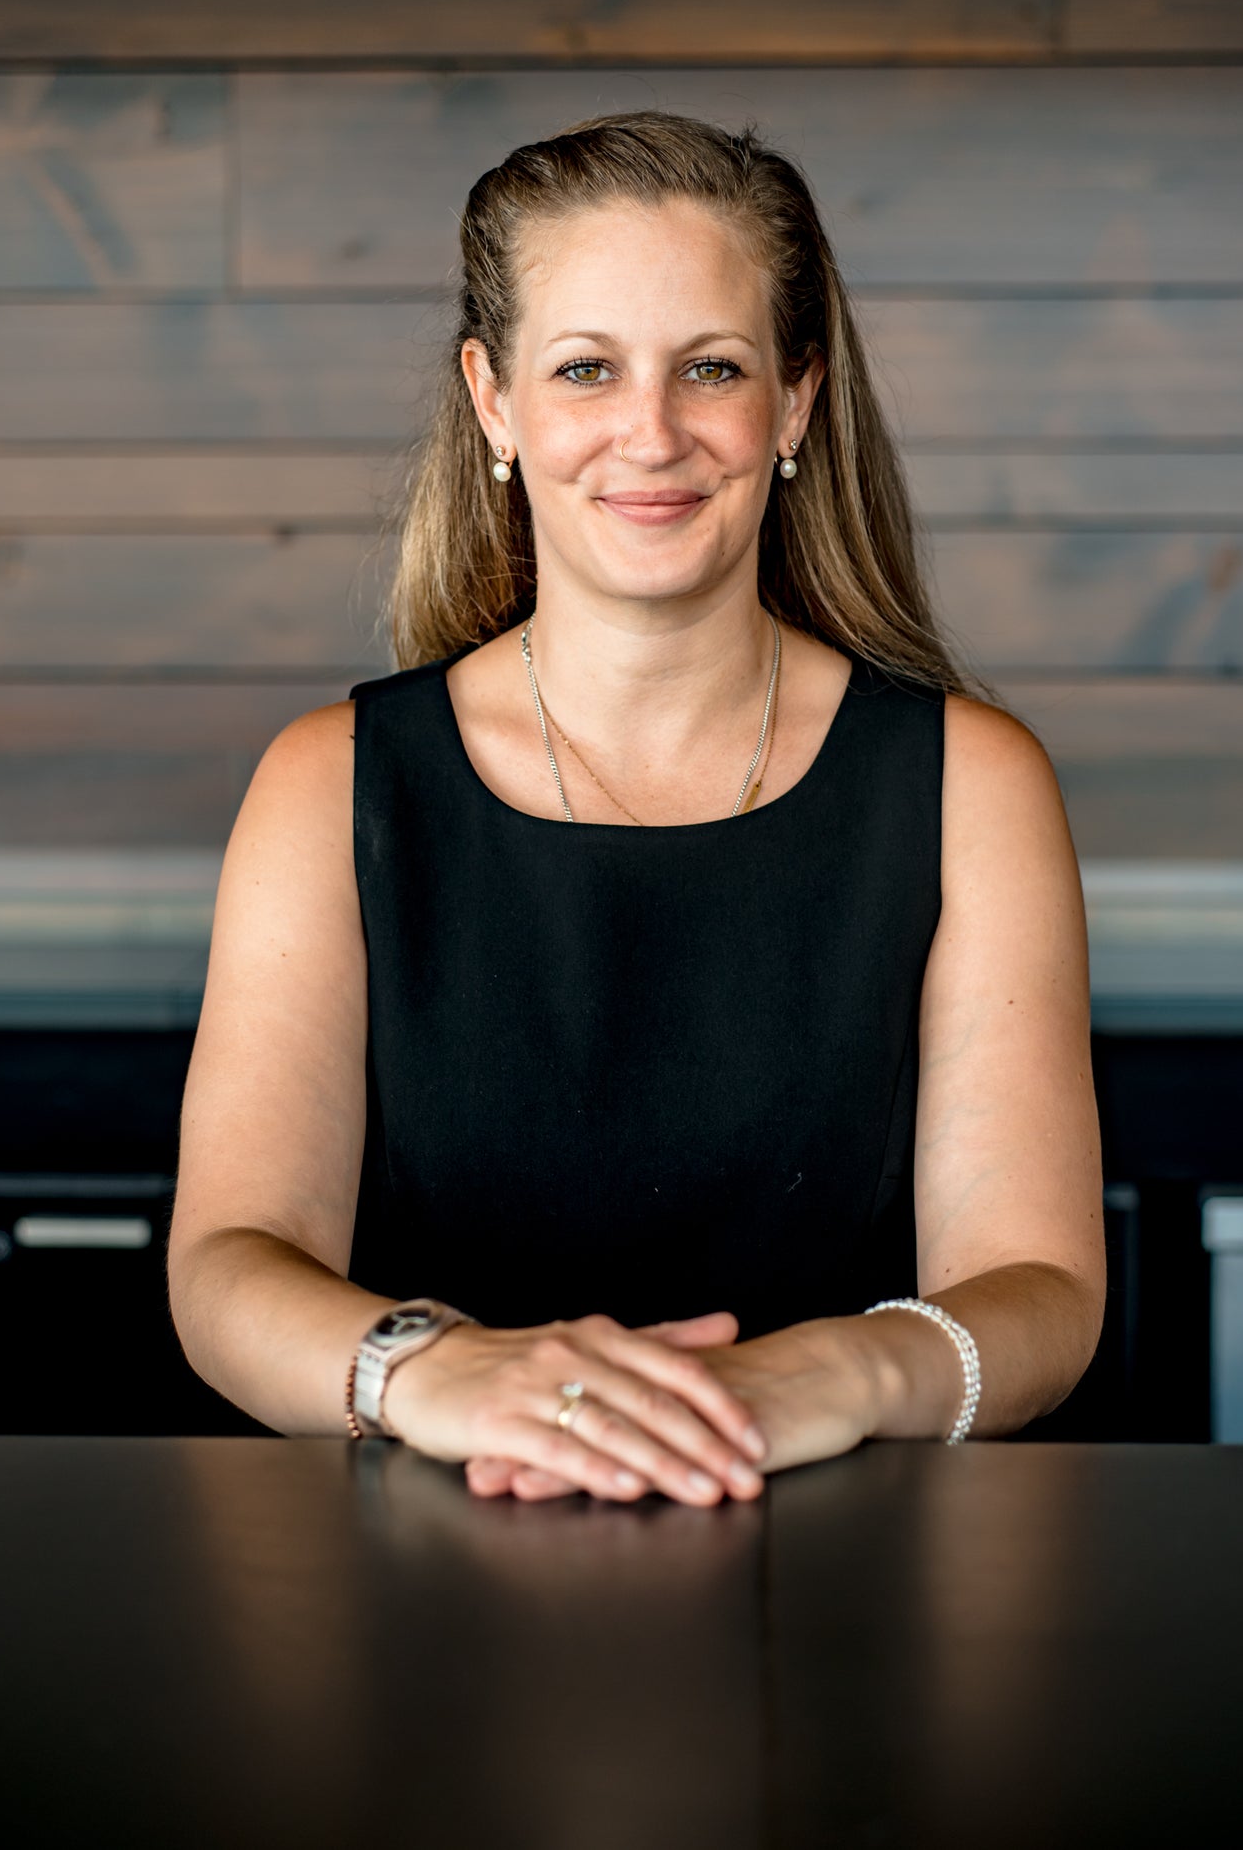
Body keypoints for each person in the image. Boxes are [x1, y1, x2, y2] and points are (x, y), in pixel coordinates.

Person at [168, 110, 1104, 1507]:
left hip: (849, 1571)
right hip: (424, 1566)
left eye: (710, 368)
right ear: (493, 400)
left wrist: (817, 1377)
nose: (649, 433)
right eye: (586, 368)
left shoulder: (971, 780)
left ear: (794, 401)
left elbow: (1039, 1291)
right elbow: (228, 1260)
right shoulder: (329, 781)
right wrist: (442, 1373)